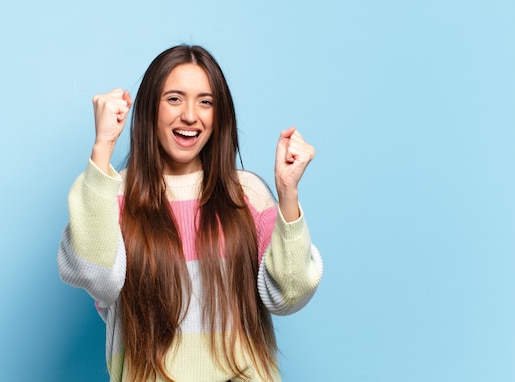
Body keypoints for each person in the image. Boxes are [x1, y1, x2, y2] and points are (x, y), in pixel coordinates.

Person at [58, 44, 323, 382]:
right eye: (174, 98)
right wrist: (103, 147)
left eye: (206, 101)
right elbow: (94, 275)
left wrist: (287, 194)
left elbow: (289, 294)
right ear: (150, 109)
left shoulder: (247, 196)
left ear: (219, 116)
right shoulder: (116, 196)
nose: (190, 115)